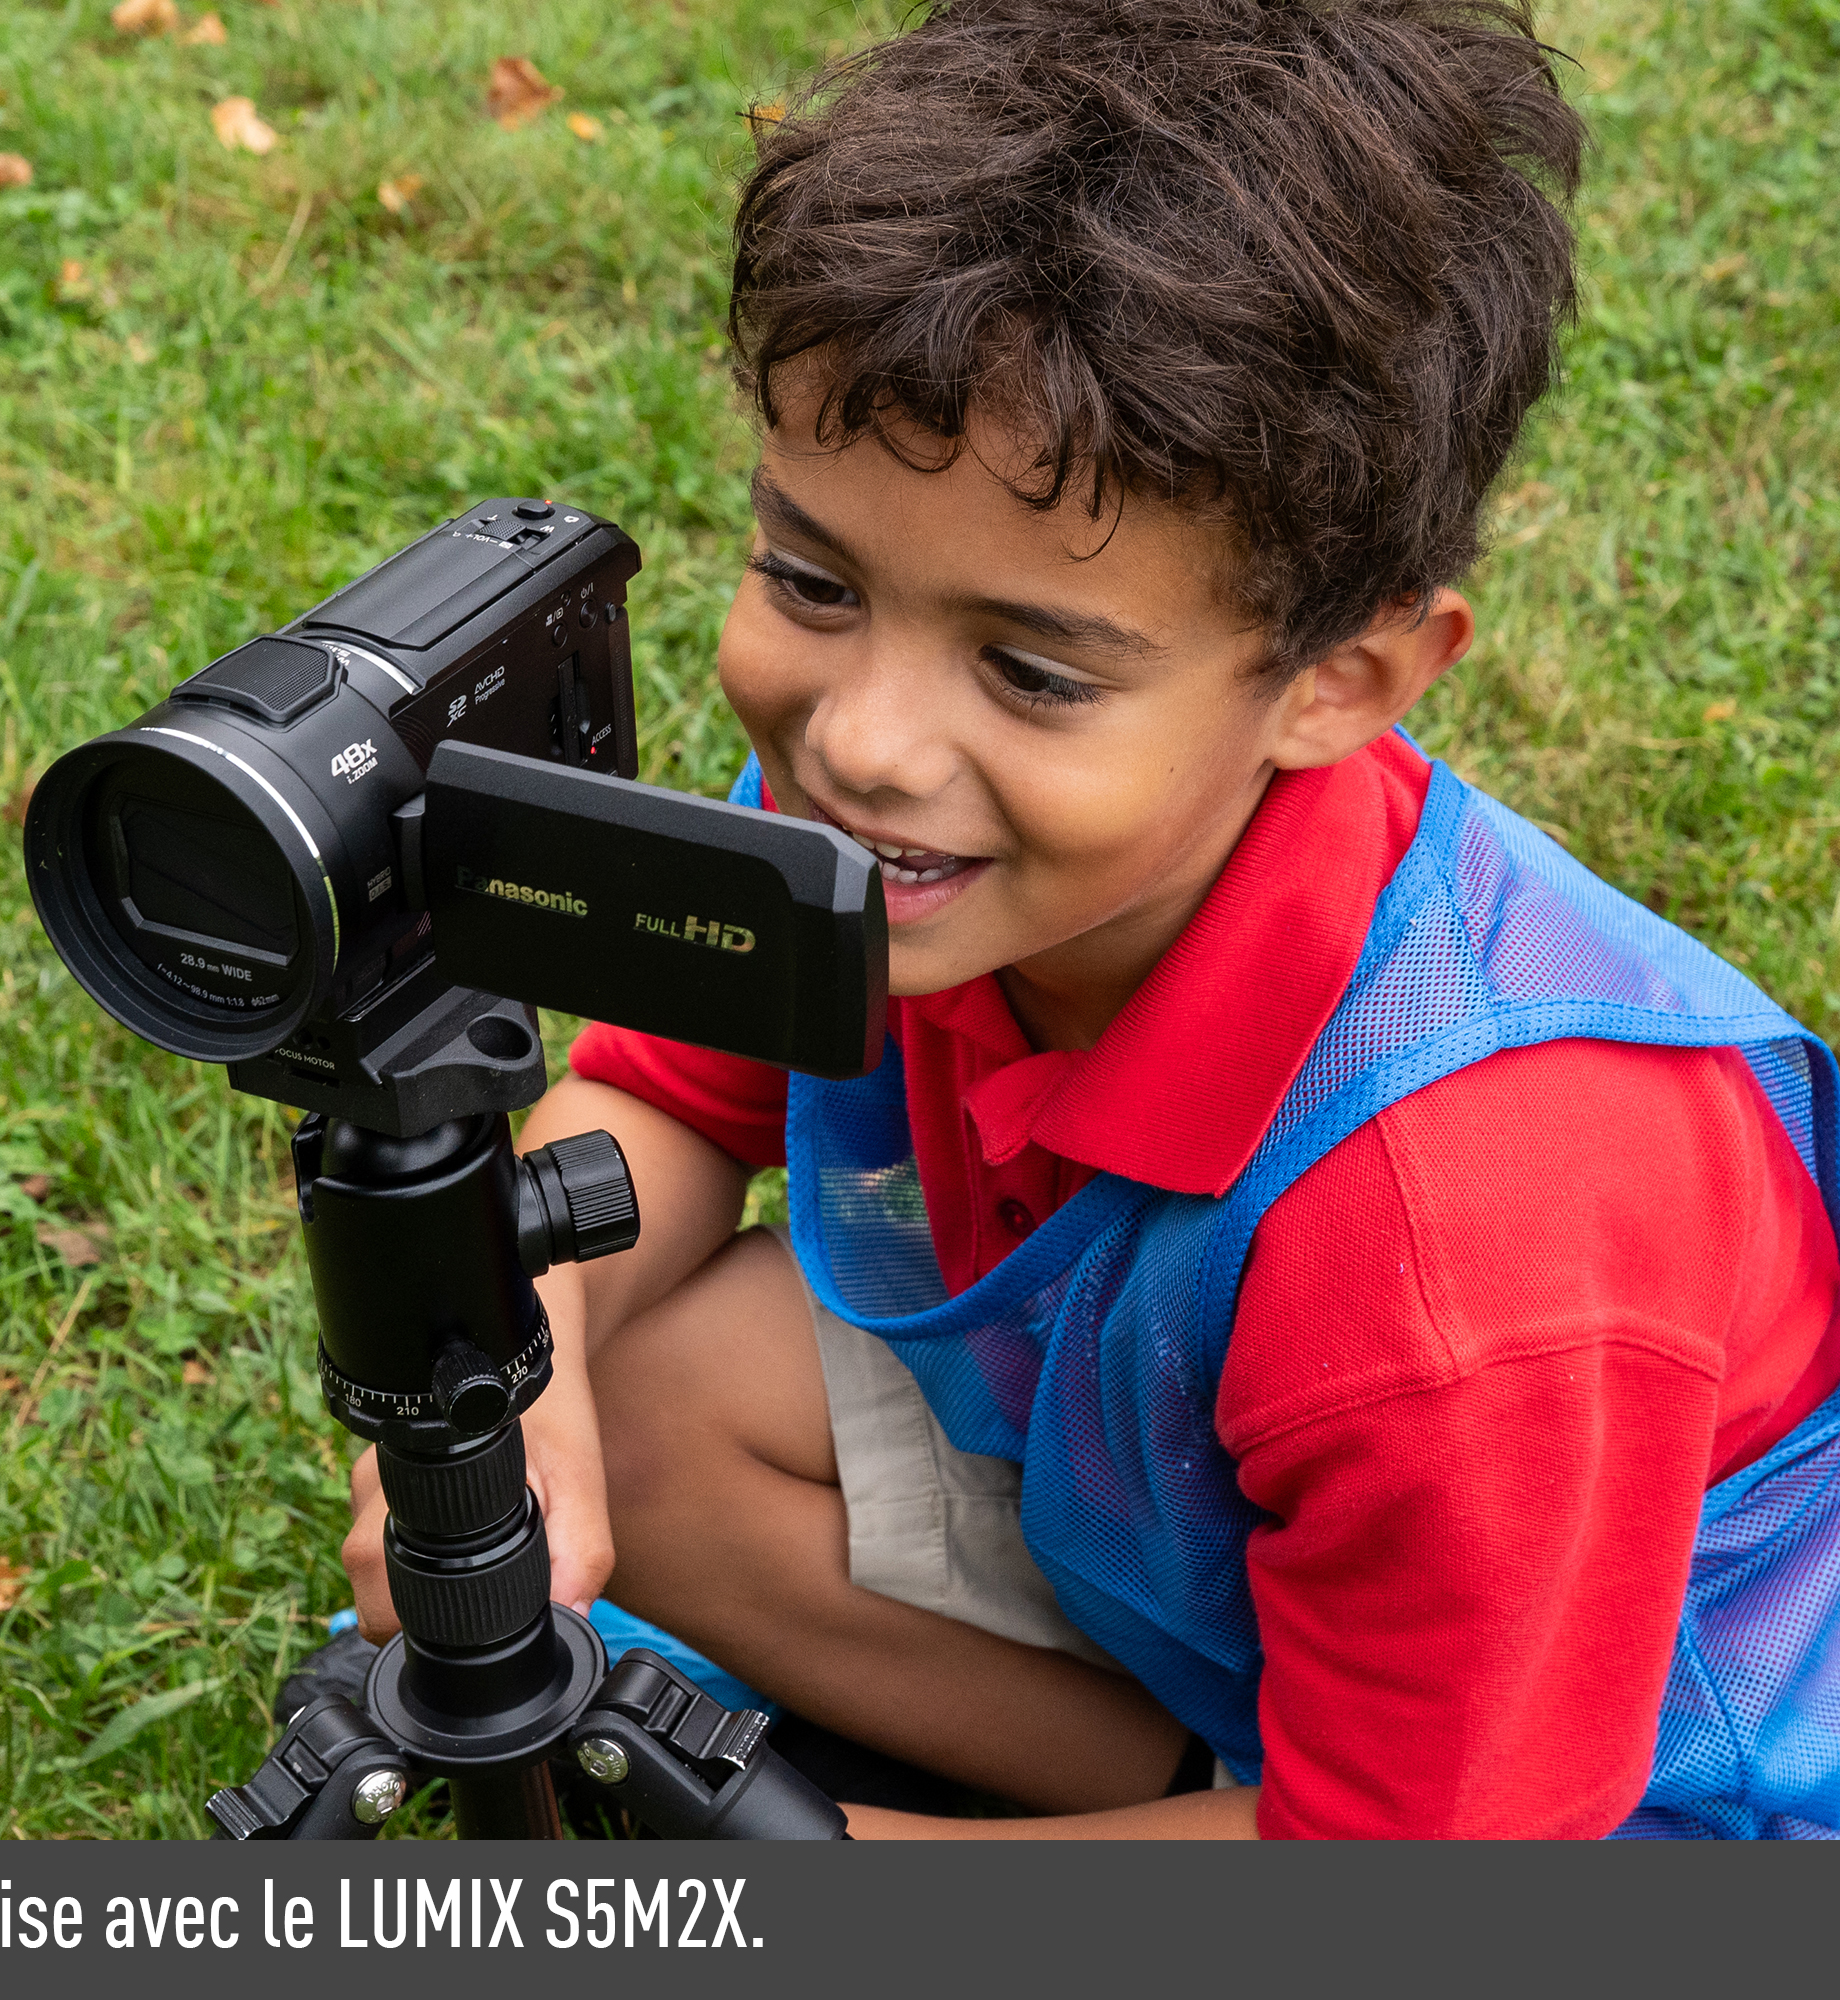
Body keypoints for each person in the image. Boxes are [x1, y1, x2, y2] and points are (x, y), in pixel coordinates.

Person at [344, 0, 1840, 1837]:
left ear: (1342, 681)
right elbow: (663, 1100)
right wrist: (529, 1379)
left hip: (1604, 1777)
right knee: (633, 1397)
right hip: (1210, 1535)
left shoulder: (1461, 1248)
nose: (862, 742)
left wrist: (804, 1883)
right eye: (812, 579)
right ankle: (1170, 1784)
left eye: (1034, 672)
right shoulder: (912, 843)